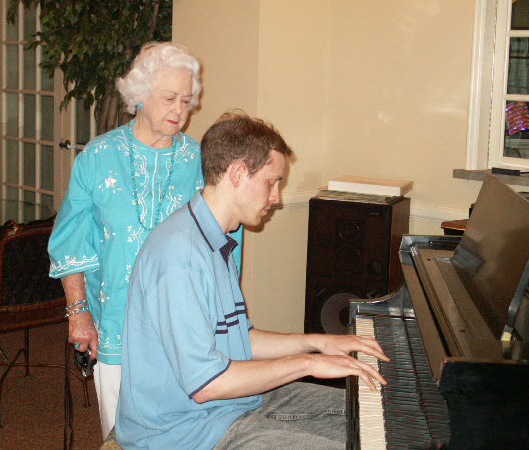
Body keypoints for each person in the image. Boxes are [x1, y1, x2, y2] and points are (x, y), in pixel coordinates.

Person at [116, 112, 389, 450]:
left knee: (372, 412)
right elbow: (208, 384)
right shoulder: (180, 257)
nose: (277, 198)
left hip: (231, 408)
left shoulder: (214, 238)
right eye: (272, 182)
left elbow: (242, 340)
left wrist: (317, 342)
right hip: (184, 433)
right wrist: (308, 363)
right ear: (238, 173)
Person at [48, 42, 241, 439]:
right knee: (122, 434)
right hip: (115, 324)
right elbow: (72, 243)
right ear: (139, 95)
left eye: (187, 101)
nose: (179, 111)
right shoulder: (97, 157)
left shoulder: (200, 163)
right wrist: (78, 313)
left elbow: (224, 244)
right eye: (169, 98)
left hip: (185, 327)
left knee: (185, 432)